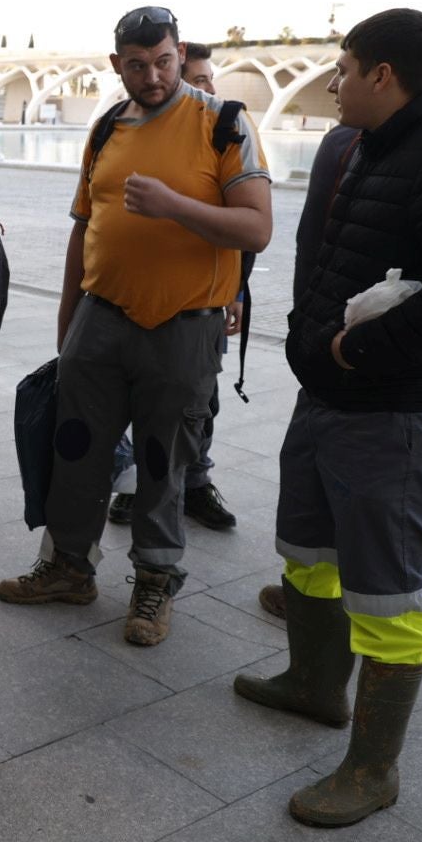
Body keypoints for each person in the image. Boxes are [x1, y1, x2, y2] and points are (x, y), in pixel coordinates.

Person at [233, 9, 422, 829]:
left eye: (346, 68)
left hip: (392, 411)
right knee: (311, 555)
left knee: (392, 596)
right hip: (330, 398)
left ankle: (373, 768)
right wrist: (311, 347)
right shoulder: (370, 144)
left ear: (383, 74)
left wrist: (358, 353)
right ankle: (316, 686)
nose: (334, 83)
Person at [0, 6, 272, 648]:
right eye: (139, 65)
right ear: (118, 64)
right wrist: (69, 319)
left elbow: (257, 227)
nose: (153, 77)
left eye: (165, 62)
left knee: (161, 459)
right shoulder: (105, 128)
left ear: (180, 56)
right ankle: (68, 566)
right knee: (78, 452)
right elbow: (83, 227)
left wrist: (174, 206)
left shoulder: (223, 123)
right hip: (102, 316)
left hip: (183, 325)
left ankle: (154, 579)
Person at [107, 41, 242, 532]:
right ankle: (136, 482)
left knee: (196, 405)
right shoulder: (124, 128)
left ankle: (195, 483)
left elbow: (246, 226)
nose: (199, 88)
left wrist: (238, 292)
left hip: (199, 307)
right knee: (138, 406)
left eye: (206, 80)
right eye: (195, 79)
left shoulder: (224, 128)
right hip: (129, 309)